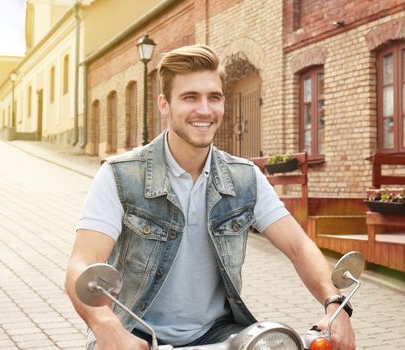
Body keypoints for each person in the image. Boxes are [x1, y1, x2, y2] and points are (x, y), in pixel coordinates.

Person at [65, 44, 355, 350]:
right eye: (190, 97)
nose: (204, 110)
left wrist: (336, 304)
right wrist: (106, 326)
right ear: (164, 105)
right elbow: (81, 264)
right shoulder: (120, 176)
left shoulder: (245, 178)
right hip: (134, 333)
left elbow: (299, 246)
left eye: (213, 98)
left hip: (218, 335)